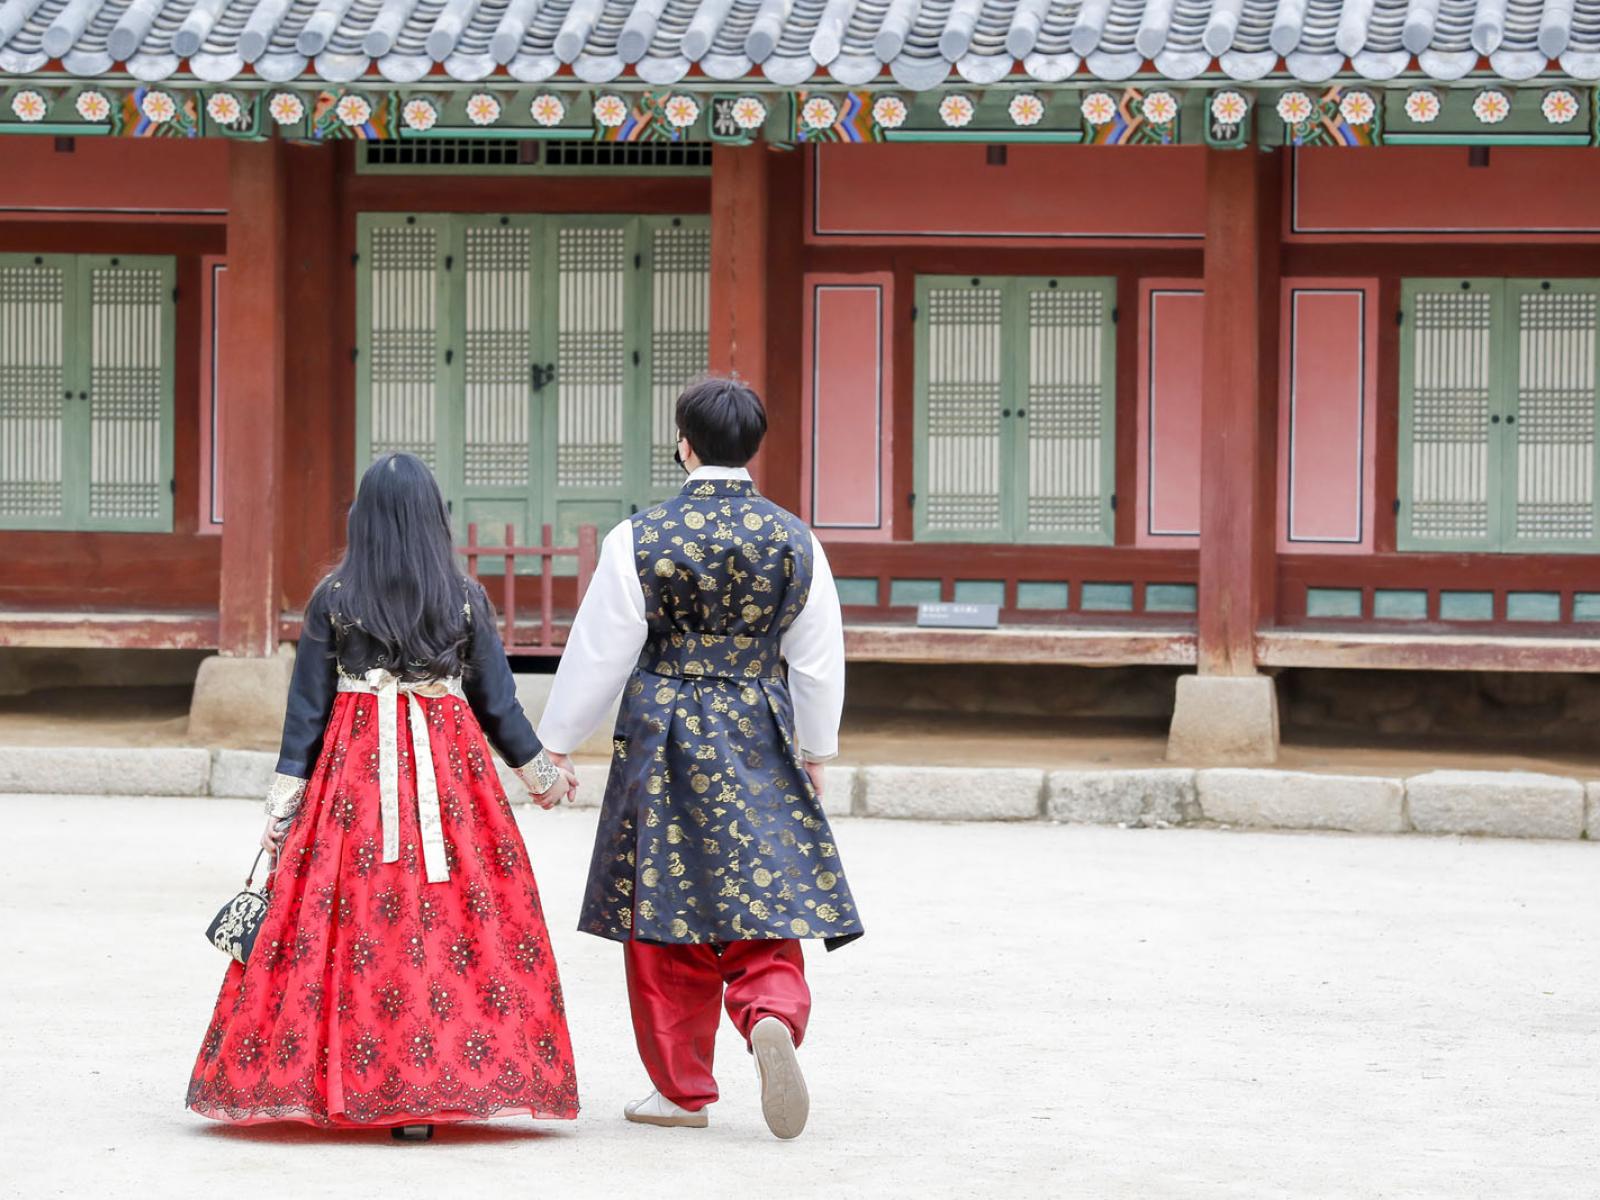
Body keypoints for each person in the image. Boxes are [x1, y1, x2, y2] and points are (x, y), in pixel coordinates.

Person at [187, 452, 580, 1138]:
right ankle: (434, 1091)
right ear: (435, 518)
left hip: (354, 776)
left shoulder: (334, 598)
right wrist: (543, 778)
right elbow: (498, 705)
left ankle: (354, 1082)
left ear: (360, 519)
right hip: (450, 775)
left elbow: (305, 714)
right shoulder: (463, 596)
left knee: (355, 919)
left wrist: (281, 811)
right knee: (451, 920)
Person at [538, 375, 861, 1141]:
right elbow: (817, 660)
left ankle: (682, 1091)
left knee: (665, 904)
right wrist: (817, 749)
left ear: (683, 442)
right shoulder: (794, 538)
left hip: (665, 731)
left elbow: (599, 654)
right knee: (763, 891)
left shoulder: (639, 537)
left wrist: (552, 744)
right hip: (757, 723)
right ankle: (770, 1012)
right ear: (754, 447)